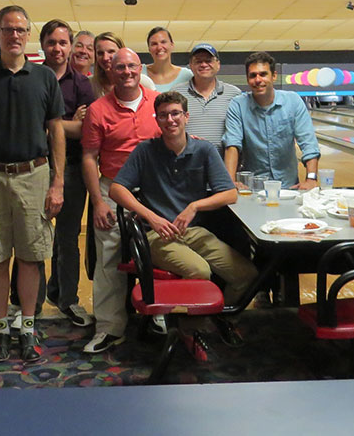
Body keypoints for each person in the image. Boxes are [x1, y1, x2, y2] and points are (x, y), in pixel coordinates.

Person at [109, 91, 258, 345]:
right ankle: (191, 332)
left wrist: (194, 206)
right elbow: (116, 189)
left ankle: (216, 319)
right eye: (164, 115)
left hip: (194, 232)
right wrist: (151, 217)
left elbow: (230, 194)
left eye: (176, 113)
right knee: (199, 270)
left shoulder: (204, 150)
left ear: (186, 116)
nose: (170, 120)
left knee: (247, 275)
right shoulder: (145, 151)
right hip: (156, 235)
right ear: (157, 120)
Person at [0, 5, 65, 363]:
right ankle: (2, 328)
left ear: (27, 33)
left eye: (20, 29)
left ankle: (29, 326)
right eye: (8, 29)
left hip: (34, 175)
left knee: (32, 256)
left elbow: (56, 133)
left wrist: (58, 183)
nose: (15, 35)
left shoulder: (45, 78)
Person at [81, 48, 161, 353]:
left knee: (161, 252)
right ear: (110, 71)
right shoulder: (99, 109)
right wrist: (98, 202)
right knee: (109, 258)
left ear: (141, 69)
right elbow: (89, 157)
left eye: (132, 66)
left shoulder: (157, 103)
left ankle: (160, 316)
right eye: (120, 67)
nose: (126, 72)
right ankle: (109, 328)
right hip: (113, 188)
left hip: (155, 190)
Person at [40, 19, 95, 327]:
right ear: (43, 45)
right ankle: (29, 301)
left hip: (73, 170)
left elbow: (87, 132)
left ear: (70, 47)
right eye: (52, 42)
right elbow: (28, 125)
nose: (58, 48)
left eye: (63, 43)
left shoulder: (82, 85)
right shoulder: (32, 77)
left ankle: (67, 299)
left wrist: (50, 125)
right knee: (33, 237)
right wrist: (66, 124)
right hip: (36, 168)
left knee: (68, 237)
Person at [223, 51, 320, 189]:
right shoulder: (238, 105)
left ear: (274, 76)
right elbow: (232, 144)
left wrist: (311, 178)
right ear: (247, 79)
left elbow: (308, 142)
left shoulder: (293, 101)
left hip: (288, 186)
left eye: (263, 74)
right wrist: (230, 182)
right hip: (253, 187)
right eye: (252, 75)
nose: (258, 80)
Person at [171, 43, 241, 155]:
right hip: (186, 163)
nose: (204, 64)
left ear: (218, 64)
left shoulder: (234, 94)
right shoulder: (176, 93)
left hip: (222, 164)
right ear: (191, 65)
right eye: (198, 61)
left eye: (208, 60)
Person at [144, 27, 192, 93]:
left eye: (163, 42)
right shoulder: (140, 74)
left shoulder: (187, 75)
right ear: (149, 49)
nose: (159, 47)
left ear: (172, 45)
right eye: (154, 44)